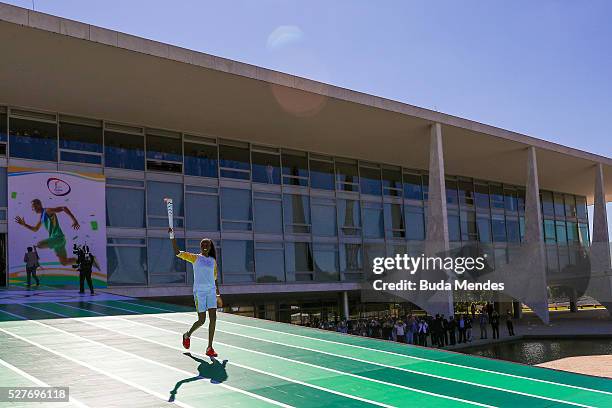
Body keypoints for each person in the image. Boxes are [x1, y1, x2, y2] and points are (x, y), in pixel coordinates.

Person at [171, 228, 223, 358]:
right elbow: (177, 252)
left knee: (213, 318)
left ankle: (209, 347)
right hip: (199, 293)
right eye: (203, 244)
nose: (205, 246)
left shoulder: (213, 261)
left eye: (207, 244)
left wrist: (218, 294)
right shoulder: (195, 258)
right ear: (200, 247)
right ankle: (187, 335)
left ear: (210, 247)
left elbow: (215, 278)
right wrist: (172, 237)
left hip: (211, 292)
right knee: (201, 320)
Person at [15, 199, 80, 266]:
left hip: (57, 238)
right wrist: (24, 224)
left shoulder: (47, 211)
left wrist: (74, 220)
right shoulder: (42, 216)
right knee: (64, 262)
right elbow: (35, 229)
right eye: (32, 208)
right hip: (59, 241)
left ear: (39, 205)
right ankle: (84, 260)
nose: (32, 209)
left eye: (33, 207)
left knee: (39, 244)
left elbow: (64, 208)